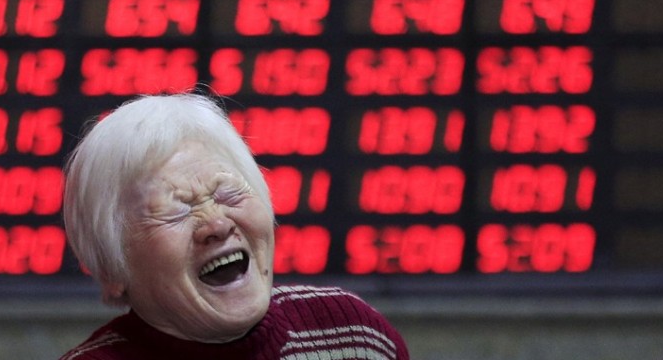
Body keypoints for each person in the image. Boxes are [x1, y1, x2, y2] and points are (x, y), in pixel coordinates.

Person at [59, 92, 409, 359]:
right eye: (175, 211)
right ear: (112, 268)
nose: (216, 224)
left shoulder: (356, 337)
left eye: (228, 194)